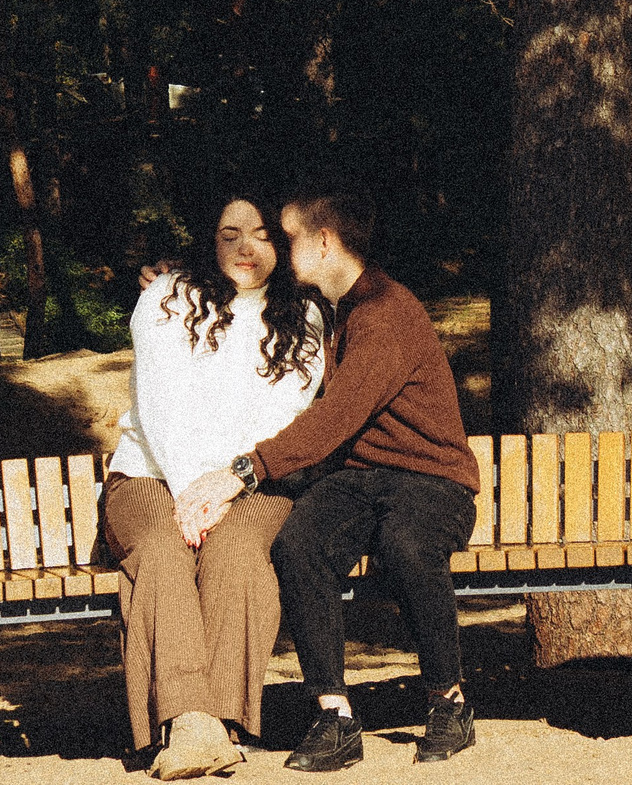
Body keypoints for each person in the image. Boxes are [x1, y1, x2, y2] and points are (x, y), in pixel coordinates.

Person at [170, 188, 480, 771]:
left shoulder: (387, 312)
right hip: (360, 479)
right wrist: (168, 281)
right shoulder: (337, 308)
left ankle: (449, 700)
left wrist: (244, 471)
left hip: (433, 481)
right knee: (299, 545)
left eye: (288, 240)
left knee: (406, 545)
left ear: (324, 241)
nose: (282, 252)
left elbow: (333, 418)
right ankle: (333, 714)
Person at [101, 197, 325, 779]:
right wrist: (189, 491)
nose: (246, 249)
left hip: (252, 482)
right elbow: (158, 407)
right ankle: (189, 721)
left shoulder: (305, 318)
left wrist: (223, 487)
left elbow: (287, 416)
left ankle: (222, 725)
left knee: (239, 554)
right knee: (160, 552)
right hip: (151, 474)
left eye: (260, 235)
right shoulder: (165, 299)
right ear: (209, 240)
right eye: (230, 235)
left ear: (283, 242)